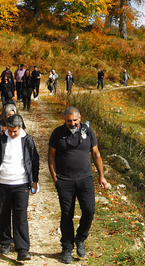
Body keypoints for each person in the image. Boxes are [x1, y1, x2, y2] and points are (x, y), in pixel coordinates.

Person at [48, 107, 109, 264]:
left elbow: (96, 154)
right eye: (69, 120)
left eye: (75, 120)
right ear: (65, 120)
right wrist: (55, 178)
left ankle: (80, 239)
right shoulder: (57, 133)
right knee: (66, 214)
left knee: (89, 211)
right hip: (65, 181)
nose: (72, 123)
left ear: (80, 118)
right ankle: (67, 248)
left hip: (85, 179)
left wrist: (101, 176)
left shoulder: (88, 132)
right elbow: (51, 157)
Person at [0, 115, 39, 262]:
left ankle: (22, 248)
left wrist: (34, 180)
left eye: (14, 131)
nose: (12, 134)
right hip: (3, 183)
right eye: (9, 131)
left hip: (21, 183)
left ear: (20, 127)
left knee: (20, 216)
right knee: (2, 213)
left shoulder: (27, 140)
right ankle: (5, 242)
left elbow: (34, 160)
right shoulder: (2, 138)